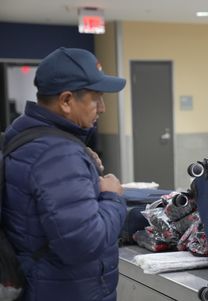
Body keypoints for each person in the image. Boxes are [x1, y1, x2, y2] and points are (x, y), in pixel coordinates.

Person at [1, 47, 127, 301]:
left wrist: (82, 164)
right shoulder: (58, 154)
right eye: (96, 98)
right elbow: (82, 244)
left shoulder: (26, 136)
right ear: (67, 100)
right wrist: (112, 197)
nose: (102, 108)